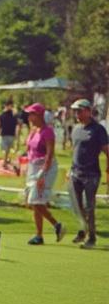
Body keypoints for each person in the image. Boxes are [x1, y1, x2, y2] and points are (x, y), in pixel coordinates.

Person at [67, 99, 108, 249]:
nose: (77, 113)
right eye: (75, 111)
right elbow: (75, 151)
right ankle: (82, 231)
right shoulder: (76, 128)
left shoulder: (98, 129)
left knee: (89, 206)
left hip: (91, 174)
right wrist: (70, 170)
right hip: (75, 173)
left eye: (79, 110)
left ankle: (91, 237)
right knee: (77, 206)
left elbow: (107, 150)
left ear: (88, 111)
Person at [23, 103, 63, 245]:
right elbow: (29, 150)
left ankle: (56, 224)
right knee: (34, 202)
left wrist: (42, 173)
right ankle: (39, 235)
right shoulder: (33, 130)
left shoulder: (48, 131)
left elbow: (50, 153)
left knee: (34, 200)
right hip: (33, 166)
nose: (29, 116)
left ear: (39, 115)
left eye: (32, 114)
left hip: (45, 168)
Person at [0, 100, 19, 172]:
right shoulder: (9, 115)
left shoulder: (5, 115)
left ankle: (5, 162)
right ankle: (6, 161)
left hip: (9, 134)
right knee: (7, 149)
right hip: (7, 134)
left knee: (7, 149)